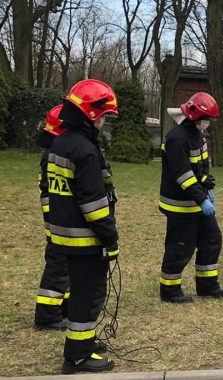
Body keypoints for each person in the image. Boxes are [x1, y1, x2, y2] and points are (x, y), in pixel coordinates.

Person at [48, 80, 119, 374]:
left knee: (80, 293)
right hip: (87, 239)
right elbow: (93, 204)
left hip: (65, 235)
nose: (104, 122)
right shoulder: (85, 150)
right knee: (87, 297)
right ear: (92, 114)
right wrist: (110, 237)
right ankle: (78, 356)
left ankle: (84, 342)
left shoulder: (62, 142)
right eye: (103, 116)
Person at [158, 92, 223, 303]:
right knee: (180, 247)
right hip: (180, 204)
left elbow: (199, 167)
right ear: (195, 117)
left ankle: (207, 286)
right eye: (207, 120)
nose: (208, 124)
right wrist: (202, 198)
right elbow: (183, 175)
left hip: (197, 201)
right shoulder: (176, 139)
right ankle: (169, 290)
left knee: (212, 240)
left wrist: (206, 183)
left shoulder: (198, 136)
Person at [34, 104, 70, 331]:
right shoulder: (52, 157)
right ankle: (47, 315)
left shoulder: (53, 153)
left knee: (64, 266)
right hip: (57, 220)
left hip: (58, 218)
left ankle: (61, 306)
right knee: (58, 266)